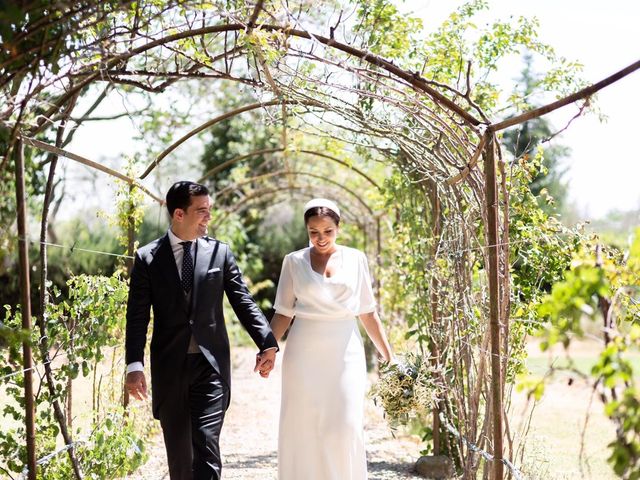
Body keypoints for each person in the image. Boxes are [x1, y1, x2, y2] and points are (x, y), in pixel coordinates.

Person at [124, 180, 278, 480]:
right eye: (202, 211)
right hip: (171, 368)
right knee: (181, 457)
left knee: (206, 443)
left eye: (209, 210)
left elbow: (243, 301)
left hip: (211, 367)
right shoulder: (147, 259)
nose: (208, 217)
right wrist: (134, 365)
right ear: (178, 214)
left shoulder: (220, 253)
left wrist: (267, 341)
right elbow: (137, 316)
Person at [269, 198, 394, 480]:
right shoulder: (293, 261)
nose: (321, 238)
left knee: (345, 425)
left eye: (327, 231)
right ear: (307, 230)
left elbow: (368, 313)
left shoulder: (356, 258)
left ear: (338, 227)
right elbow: (283, 314)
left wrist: (390, 357)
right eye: (314, 232)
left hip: (345, 351)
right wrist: (267, 350)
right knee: (303, 425)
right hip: (303, 353)